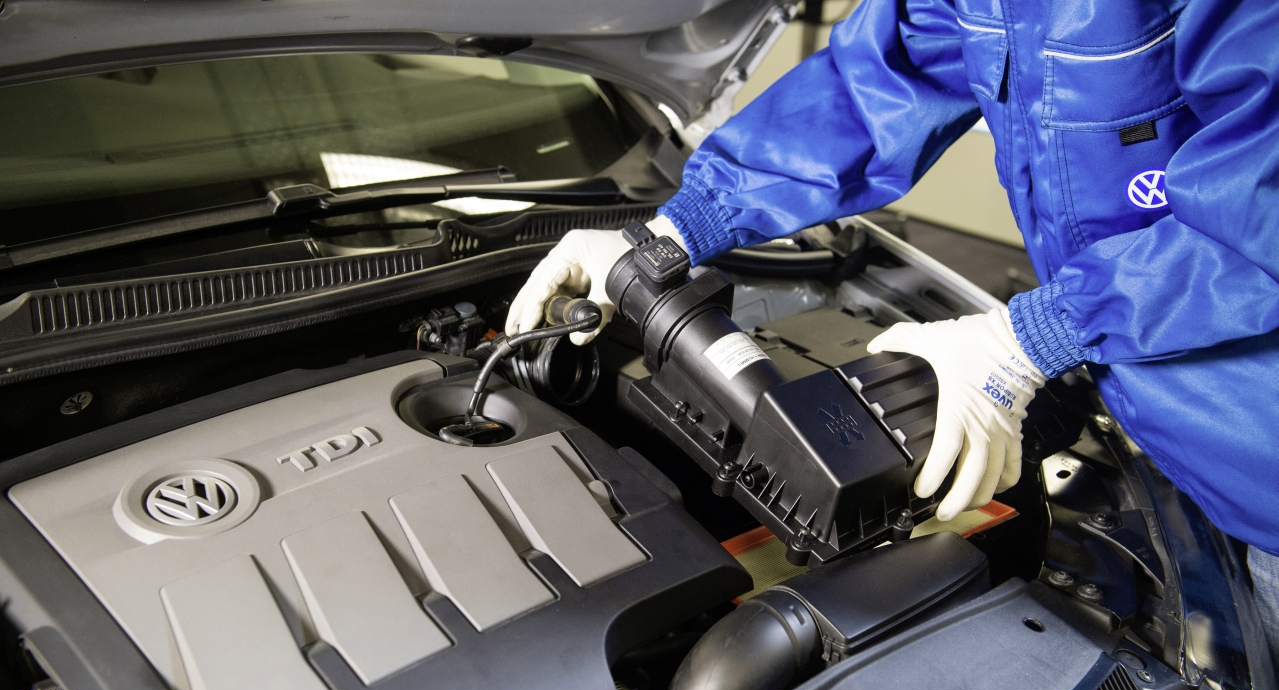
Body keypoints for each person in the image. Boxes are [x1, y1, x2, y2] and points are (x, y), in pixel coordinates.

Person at [506, 0, 1279, 638]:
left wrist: (1031, 338)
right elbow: (871, 88)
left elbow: (1259, 206)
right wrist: (673, 233)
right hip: (1180, 442)